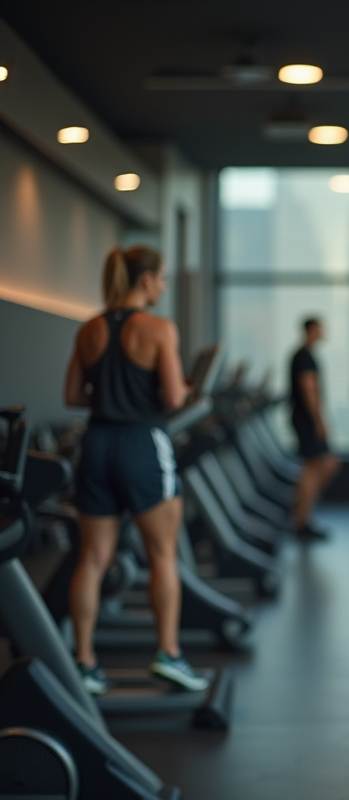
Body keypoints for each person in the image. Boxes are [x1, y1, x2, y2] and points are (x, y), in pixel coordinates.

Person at [63, 245, 210, 695]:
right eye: (162, 278)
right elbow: (171, 398)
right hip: (141, 443)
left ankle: (84, 663)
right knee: (163, 554)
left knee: (91, 558)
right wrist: (184, 390)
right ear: (145, 280)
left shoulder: (89, 329)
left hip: (97, 443)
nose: (164, 286)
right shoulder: (160, 329)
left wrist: (112, 395)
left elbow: (72, 394)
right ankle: (168, 653)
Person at [290, 317, 341, 540]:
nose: (323, 332)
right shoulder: (304, 357)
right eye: (320, 329)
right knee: (315, 467)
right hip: (307, 419)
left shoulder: (305, 354)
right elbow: (309, 391)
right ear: (310, 330)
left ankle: (302, 511)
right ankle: (302, 520)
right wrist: (320, 421)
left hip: (305, 418)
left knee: (324, 465)